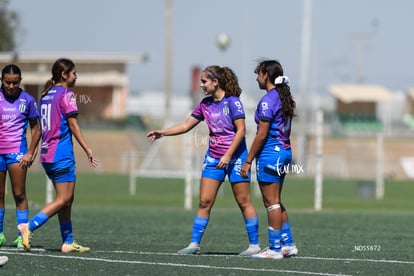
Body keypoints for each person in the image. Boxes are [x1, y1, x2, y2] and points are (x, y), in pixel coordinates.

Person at [146, 65, 260, 256]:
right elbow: (185, 125)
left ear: (216, 82)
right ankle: (194, 245)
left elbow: (242, 130)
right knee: (204, 202)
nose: (201, 85)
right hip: (214, 159)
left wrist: (228, 155)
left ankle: (254, 246)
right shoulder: (205, 104)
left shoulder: (233, 102)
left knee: (243, 201)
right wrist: (162, 133)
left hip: (236, 158)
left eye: (204, 81)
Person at [18, 58, 98, 253]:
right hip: (60, 154)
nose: (76, 77)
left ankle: (67, 241)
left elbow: (39, 128)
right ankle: (29, 227)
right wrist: (87, 148)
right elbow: (73, 125)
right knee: (63, 199)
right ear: (64, 75)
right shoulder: (67, 94)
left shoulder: (45, 95)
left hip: (47, 156)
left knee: (66, 200)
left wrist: (32, 151)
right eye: (74, 73)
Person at [240, 59, 298, 259]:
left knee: (271, 202)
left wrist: (248, 160)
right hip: (284, 151)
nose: (257, 78)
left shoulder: (268, 100)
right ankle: (287, 244)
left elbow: (262, 134)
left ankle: (274, 249)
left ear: (266, 75)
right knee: (276, 201)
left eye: (258, 73)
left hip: (271, 153)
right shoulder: (282, 97)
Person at [0, 64, 41, 249]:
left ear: (20, 81)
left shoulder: (28, 100)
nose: (11, 86)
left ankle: (21, 235)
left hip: (17, 152)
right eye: (7, 82)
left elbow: (36, 128)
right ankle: (0, 234)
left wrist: (31, 152)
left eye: (15, 82)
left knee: (19, 194)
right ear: (2, 81)